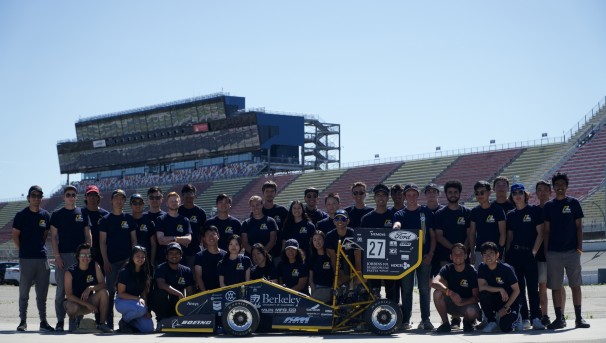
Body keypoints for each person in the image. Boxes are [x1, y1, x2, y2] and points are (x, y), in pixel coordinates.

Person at [543, 172, 590, 329]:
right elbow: (547, 231)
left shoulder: (574, 203)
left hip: (572, 252)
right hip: (554, 253)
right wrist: (546, 251)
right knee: (556, 286)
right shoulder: (549, 206)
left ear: (567, 186)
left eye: (562, 184)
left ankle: (578, 318)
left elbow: (579, 227)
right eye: (557, 185)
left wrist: (579, 249)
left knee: (575, 285)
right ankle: (559, 318)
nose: (560, 187)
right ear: (554, 188)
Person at [392, 183, 436, 330]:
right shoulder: (400, 214)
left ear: (418, 195)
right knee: (407, 289)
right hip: (407, 258)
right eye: (408, 194)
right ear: (405, 196)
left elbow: (433, 236)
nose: (411, 197)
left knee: (424, 288)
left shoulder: (425, 212)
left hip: (424, 257)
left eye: (414, 194)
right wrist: (396, 226)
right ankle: (406, 320)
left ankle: (426, 319)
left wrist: (430, 253)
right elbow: (397, 223)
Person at [12, 185, 54, 332]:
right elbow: (15, 236)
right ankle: (22, 321)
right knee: (24, 293)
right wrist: (23, 250)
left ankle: (43, 321)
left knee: (42, 294)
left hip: (42, 259)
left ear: (41, 198)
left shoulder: (46, 215)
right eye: (33, 196)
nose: (36, 198)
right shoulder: (21, 215)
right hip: (26, 259)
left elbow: (44, 235)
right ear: (29, 198)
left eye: (39, 196)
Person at [50, 185, 92, 331]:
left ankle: (77, 320)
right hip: (63, 256)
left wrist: (88, 254)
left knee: (79, 289)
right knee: (61, 290)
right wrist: (57, 256)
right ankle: (60, 321)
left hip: (81, 257)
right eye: (68, 195)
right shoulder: (56, 214)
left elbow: (88, 235)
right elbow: (53, 237)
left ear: (76, 196)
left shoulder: (83, 213)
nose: (71, 197)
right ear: (63, 197)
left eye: (73, 194)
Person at [505, 183, 545, 330]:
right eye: (514, 193)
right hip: (514, 255)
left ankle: (536, 317)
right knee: (519, 288)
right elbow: (509, 237)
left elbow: (541, 234)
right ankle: (524, 317)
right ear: (512, 197)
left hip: (529, 254)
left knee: (533, 288)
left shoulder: (534, 211)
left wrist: (534, 251)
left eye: (520, 192)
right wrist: (508, 255)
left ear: (525, 195)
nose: (517, 195)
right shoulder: (510, 214)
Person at [434, 180, 472, 330]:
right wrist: (455, 251)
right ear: (446, 194)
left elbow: (470, 235)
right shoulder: (440, 214)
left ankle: (469, 317)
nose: (453, 195)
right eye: (450, 192)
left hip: (464, 258)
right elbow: (439, 235)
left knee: (465, 286)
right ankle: (454, 318)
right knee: (447, 287)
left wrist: (463, 252)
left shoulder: (466, 212)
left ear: (459, 194)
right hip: (446, 258)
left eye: (455, 192)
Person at [99, 189, 138, 329]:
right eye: (116, 198)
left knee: (127, 292)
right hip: (111, 262)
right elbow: (102, 242)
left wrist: (131, 260)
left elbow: (134, 241)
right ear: (111, 200)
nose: (119, 201)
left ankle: (126, 322)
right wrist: (105, 261)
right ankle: (109, 322)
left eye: (122, 198)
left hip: (127, 262)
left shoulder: (129, 219)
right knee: (110, 292)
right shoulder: (105, 220)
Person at [535, 180, 566, 326]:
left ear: (550, 191)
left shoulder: (555, 207)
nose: (542, 192)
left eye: (545, 190)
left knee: (558, 285)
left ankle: (561, 315)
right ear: (536, 193)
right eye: (539, 190)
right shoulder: (534, 211)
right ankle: (545, 315)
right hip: (541, 254)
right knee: (542, 285)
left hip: (556, 252)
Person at [63, 243, 113, 333]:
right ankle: (72, 321)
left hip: (89, 301)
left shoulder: (95, 266)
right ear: (77, 256)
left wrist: (90, 288)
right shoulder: (70, 272)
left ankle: (101, 324)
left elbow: (103, 284)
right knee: (72, 307)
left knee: (104, 292)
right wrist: (87, 305)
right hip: (74, 303)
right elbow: (69, 295)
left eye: (88, 255)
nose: (85, 257)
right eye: (83, 255)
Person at [431, 243, 480, 333]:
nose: (458, 256)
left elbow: (477, 297)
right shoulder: (447, 268)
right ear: (451, 256)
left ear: (465, 256)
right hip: (451, 304)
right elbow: (434, 282)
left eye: (460, 253)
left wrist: (462, 302)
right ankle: (445, 324)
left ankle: (467, 322)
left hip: (466, 305)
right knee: (437, 293)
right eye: (455, 253)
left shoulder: (471, 271)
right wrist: (450, 293)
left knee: (471, 311)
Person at [360, 184, 395, 299]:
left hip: (390, 261)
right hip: (373, 263)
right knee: (374, 296)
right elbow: (362, 243)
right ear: (374, 198)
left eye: (384, 195)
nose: (381, 198)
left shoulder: (394, 216)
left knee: (392, 294)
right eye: (378, 195)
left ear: (388, 197)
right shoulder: (366, 218)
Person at [477, 241, 521, 333]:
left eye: (491, 253)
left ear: (497, 255)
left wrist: (506, 308)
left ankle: (517, 318)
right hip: (495, 299)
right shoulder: (482, 267)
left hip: (509, 301)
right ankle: (491, 321)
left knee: (505, 327)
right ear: (482, 256)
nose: (488, 256)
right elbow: (481, 287)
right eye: (485, 254)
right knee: (483, 294)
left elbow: (517, 290)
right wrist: (500, 289)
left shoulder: (506, 269)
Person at [149, 242, 195, 322]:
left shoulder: (187, 271)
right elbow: (161, 284)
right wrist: (179, 293)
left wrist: (186, 306)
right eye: (171, 253)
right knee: (161, 293)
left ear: (181, 256)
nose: (174, 256)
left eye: (177, 253)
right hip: (162, 302)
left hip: (178, 303)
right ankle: (161, 320)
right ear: (166, 256)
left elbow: (189, 292)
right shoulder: (160, 268)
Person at [115, 245, 154, 333]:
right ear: (132, 257)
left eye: (142, 257)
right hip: (122, 301)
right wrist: (138, 298)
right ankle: (124, 321)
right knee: (140, 309)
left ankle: (130, 321)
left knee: (148, 329)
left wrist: (147, 310)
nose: (140, 259)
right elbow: (121, 293)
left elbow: (144, 294)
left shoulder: (145, 273)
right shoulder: (124, 272)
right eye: (137, 256)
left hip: (136, 304)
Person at [469, 180, 506, 268]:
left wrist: (499, 252)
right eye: (477, 193)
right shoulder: (474, 211)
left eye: (482, 192)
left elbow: (503, 233)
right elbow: (472, 233)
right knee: (480, 279)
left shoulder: (498, 210)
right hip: (480, 251)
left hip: (495, 251)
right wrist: (472, 252)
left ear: (489, 193)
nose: (479, 195)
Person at [325, 210, 362, 286]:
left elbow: (358, 256)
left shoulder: (355, 234)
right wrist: (337, 275)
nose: (340, 221)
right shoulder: (329, 236)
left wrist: (358, 274)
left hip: (354, 266)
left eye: (343, 219)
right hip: (340, 267)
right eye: (337, 219)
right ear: (334, 222)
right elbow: (333, 258)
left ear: (347, 221)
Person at [155, 192, 192, 266]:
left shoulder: (184, 220)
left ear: (179, 202)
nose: (174, 203)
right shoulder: (161, 219)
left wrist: (172, 238)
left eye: (176, 201)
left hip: (181, 261)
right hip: (164, 260)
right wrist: (180, 240)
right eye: (171, 201)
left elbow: (188, 239)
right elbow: (161, 240)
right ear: (167, 203)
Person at [81, 185, 109, 273]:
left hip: (102, 253)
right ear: (85, 197)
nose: (92, 198)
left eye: (95, 195)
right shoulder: (81, 213)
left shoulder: (105, 215)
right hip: (86, 253)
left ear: (98, 197)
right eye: (90, 195)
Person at [178, 184, 206, 269]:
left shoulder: (200, 213)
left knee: (195, 276)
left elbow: (203, 232)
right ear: (182, 196)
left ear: (194, 196)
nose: (189, 199)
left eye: (191, 196)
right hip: (178, 250)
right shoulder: (178, 211)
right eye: (186, 197)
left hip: (194, 250)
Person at [194, 225, 226, 292]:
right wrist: (205, 294)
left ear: (218, 236)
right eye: (208, 234)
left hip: (222, 292)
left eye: (213, 234)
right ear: (204, 238)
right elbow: (198, 277)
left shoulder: (226, 255)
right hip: (205, 293)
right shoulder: (199, 256)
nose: (211, 237)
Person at [261, 180, 288, 258]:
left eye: (272, 191)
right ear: (263, 193)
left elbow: (288, 229)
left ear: (275, 193)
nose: (270, 194)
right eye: (267, 191)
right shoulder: (258, 211)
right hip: (261, 254)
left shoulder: (282, 210)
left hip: (278, 253)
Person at [130, 194, 157, 267]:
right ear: (130, 205)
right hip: (129, 261)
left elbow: (153, 244)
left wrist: (151, 262)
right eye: (135, 203)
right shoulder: (127, 221)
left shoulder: (149, 222)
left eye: (140, 203)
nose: (137, 205)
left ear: (143, 204)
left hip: (145, 260)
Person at [308, 231, 334, 303]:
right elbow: (310, 278)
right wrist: (314, 291)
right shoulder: (312, 257)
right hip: (318, 289)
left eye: (319, 239)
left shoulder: (330, 255)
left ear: (324, 240)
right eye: (314, 240)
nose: (317, 242)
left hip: (331, 288)